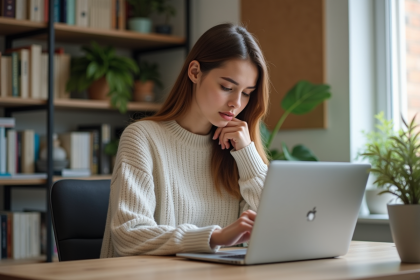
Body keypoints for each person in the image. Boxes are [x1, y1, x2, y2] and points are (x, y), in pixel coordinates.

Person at [100, 23, 270, 257]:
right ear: (195, 72)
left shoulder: (235, 150)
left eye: (247, 93)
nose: (236, 103)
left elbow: (269, 230)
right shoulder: (142, 138)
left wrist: (247, 154)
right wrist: (214, 237)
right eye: (227, 87)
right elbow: (129, 236)